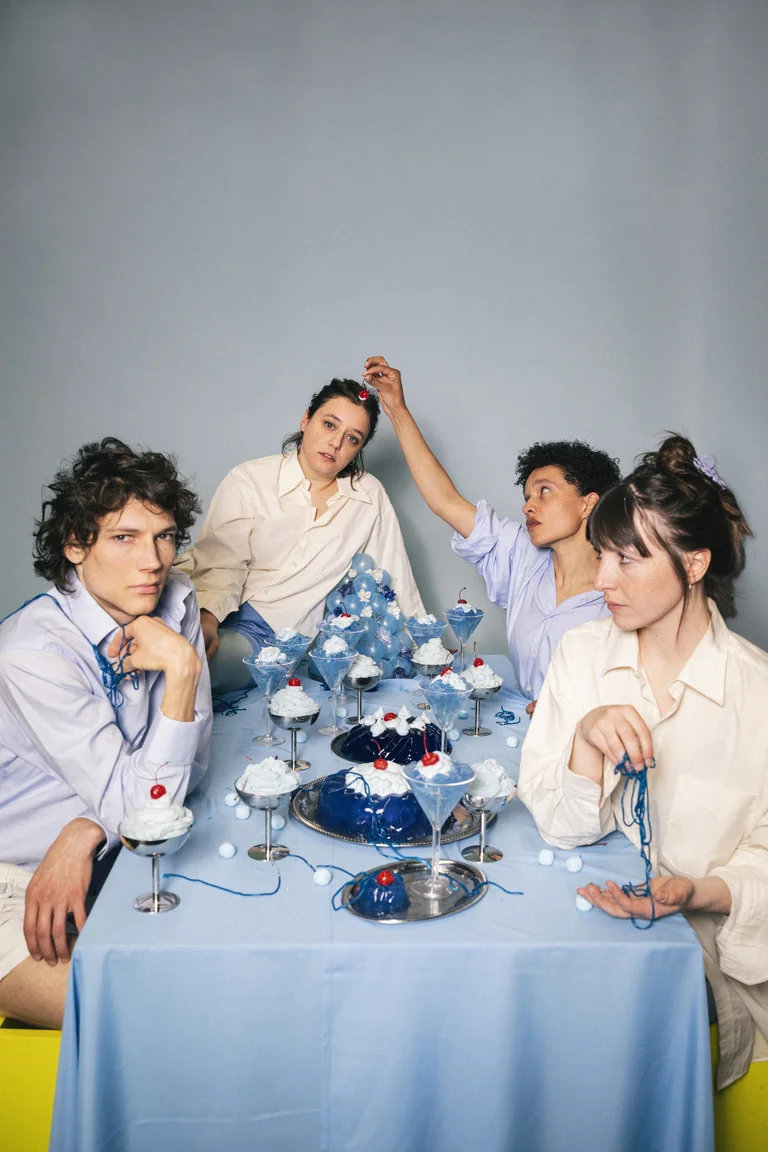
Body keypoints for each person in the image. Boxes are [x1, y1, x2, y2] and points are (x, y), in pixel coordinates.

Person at [517, 434, 767, 1087]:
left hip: (714, 983)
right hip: (599, 953)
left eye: (627, 561)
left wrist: (697, 892)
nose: (601, 581)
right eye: (602, 557)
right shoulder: (580, 656)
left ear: (694, 564)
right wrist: (585, 735)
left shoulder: (758, 694)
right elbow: (564, 827)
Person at [0, 438, 211, 1028]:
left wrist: (90, 827)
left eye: (164, 536)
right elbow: (149, 812)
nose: (154, 560)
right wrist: (184, 672)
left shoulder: (177, 603)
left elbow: (191, 768)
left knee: (231, 977)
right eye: (125, 537)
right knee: (135, 1021)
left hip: (103, 856)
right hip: (10, 877)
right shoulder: (32, 652)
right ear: (74, 546)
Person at [362, 356, 621, 708]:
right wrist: (395, 408)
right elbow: (445, 501)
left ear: (588, 503)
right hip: (523, 730)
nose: (528, 506)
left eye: (545, 491)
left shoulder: (625, 588)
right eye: (527, 496)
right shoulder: (522, 554)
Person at [176, 377, 425, 693]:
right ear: (306, 419)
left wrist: (425, 650)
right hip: (196, 604)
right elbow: (222, 561)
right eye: (329, 424)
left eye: (352, 438)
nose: (336, 443)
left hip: (267, 633)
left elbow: (393, 574)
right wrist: (207, 618)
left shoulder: (367, 496)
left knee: (185, 672)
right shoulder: (250, 479)